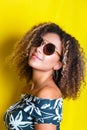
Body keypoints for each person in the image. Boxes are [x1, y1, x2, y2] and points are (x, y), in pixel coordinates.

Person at [4, 22, 85, 130]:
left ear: (58, 64)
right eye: (38, 42)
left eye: (49, 49)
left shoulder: (47, 93)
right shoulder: (28, 89)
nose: (38, 49)